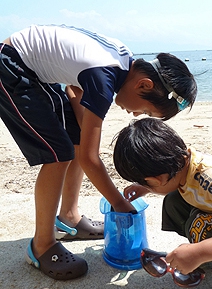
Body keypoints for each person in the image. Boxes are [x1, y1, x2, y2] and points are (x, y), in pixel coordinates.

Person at [0, 24, 197, 280]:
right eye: (146, 111)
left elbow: (74, 88)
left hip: (33, 68)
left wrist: (85, 138)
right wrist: (120, 204)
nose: (136, 115)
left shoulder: (122, 62)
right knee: (59, 154)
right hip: (12, 66)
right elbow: (89, 160)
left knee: (78, 144)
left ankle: (69, 217)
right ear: (145, 85)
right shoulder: (103, 77)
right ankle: (41, 246)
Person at [113, 117, 212, 289]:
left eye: (146, 182)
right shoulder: (184, 164)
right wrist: (146, 187)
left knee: (202, 226)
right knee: (174, 201)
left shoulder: (208, 180)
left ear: (157, 179)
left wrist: (201, 252)